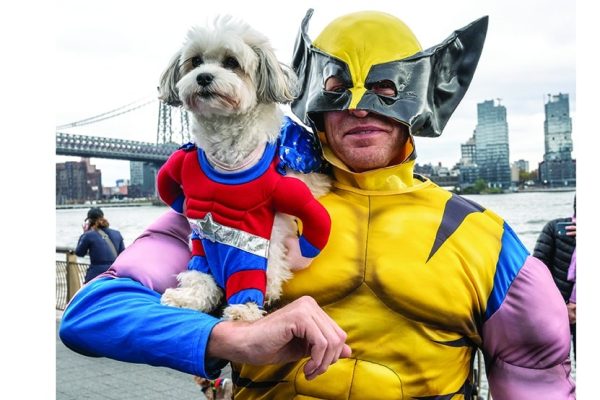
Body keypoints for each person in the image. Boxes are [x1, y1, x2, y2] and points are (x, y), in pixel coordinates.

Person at [60, 9, 575, 399]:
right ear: (310, 94)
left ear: (422, 97)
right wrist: (229, 338)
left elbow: (536, 373)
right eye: (336, 87)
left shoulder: (479, 236)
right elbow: (92, 313)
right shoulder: (225, 207)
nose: (358, 105)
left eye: (387, 88)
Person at [533, 196, 577, 358]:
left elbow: (535, 272)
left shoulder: (553, 227)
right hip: (555, 311)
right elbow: (537, 271)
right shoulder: (554, 229)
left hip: (556, 311)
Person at [75, 207, 126, 283]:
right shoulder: (117, 233)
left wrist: (84, 234)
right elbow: (123, 254)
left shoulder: (88, 235)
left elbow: (79, 253)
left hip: (96, 275)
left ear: (89, 221)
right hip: (114, 274)